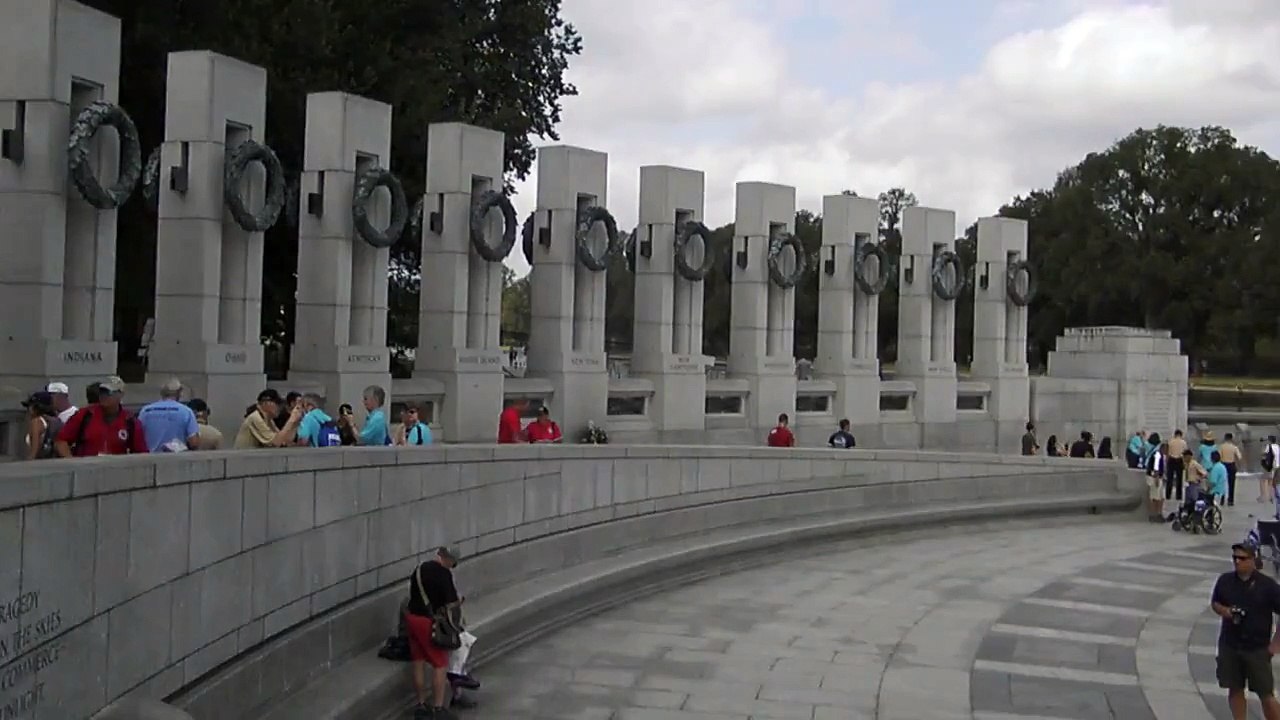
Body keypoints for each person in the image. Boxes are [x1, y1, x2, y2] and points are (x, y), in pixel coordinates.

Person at [1210, 543, 1280, 720]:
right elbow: (1216, 602)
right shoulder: (1225, 581)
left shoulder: (1267, 586)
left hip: (1256, 647)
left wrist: (1275, 644)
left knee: (1266, 694)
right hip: (1230, 644)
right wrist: (1225, 611)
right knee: (1235, 687)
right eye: (1234, 558)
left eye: (1242, 558)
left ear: (1253, 560)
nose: (1237, 562)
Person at [404, 547, 464, 719]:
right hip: (428, 623)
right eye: (453, 564)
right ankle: (438, 708)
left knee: (418, 661)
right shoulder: (444, 575)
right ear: (449, 560)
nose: (452, 567)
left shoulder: (420, 568)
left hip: (412, 618)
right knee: (440, 663)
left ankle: (421, 705)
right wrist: (460, 600)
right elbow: (450, 603)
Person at [55, 376, 149, 457]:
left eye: (108, 392)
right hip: (86, 470)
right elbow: (61, 440)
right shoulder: (85, 414)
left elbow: (141, 453)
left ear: (120, 395)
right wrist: (72, 463)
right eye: (102, 392)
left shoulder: (130, 421)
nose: (104, 396)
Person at [137, 378, 200, 453]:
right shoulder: (186, 412)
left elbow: (137, 436)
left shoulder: (146, 411)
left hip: (149, 459)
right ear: (179, 393)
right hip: (174, 459)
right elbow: (194, 442)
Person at [234, 389, 303, 449]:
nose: (280, 407)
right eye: (277, 404)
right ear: (266, 403)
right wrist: (291, 420)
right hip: (243, 459)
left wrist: (295, 423)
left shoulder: (269, 420)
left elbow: (284, 441)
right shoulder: (255, 418)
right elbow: (276, 443)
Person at [22, 390, 61, 460]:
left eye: (30, 406)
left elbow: (35, 450)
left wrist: (28, 463)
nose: (28, 409)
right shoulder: (53, 421)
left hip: (38, 463)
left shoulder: (36, 422)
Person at [1146, 442, 1168, 522]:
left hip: (1157, 477)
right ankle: (1154, 514)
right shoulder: (1158, 455)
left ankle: (1158, 513)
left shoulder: (1160, 455)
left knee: (1160, 497)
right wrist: (1157, 479)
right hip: (1154, 478)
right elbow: (1156, 469)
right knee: (1155, 497)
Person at [1220, 432, 1244, 507]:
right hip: (1231, 465)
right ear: (1231, 439)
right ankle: (1231, 500)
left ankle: (1222, 498)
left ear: (1225, 438)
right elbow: (1239, 457)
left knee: (1222, 483)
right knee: (1231, 484)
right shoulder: (1234, 447)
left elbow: (1219, 456)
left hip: (1223, 464)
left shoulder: (1222, 447)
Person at [1167, 429, 1189, 501]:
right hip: (1179, 460)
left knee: (1170, 478)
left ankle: (1168, 494)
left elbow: (1168, 453)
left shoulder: (1171, 442)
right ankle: (1178, 496)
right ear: (1181, 435)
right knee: (1179, 479)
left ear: (1175, 434)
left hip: (1171, 459)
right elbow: (1185, 453)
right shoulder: (1183, 442)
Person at [1263, 435, 1280, 504]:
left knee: (1270, 482)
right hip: (1278, 466)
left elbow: (1264, 454)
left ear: (1269, 440)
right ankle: (1276, 495)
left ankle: (1271, 497)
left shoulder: (1268, 446)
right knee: (1276, 482)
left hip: (1272, 466)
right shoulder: (1277, 446)